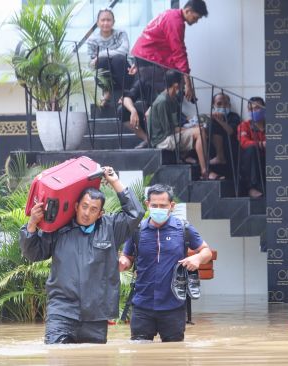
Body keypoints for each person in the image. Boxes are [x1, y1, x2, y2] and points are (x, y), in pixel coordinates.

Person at [20, 166, 144, 344]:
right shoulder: (58, 229)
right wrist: (32, 223)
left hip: (96, 315)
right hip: (62, 311)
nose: (87, 213)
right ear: (76, 206)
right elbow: (33, 253)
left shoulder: (110, 228)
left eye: (93, 209)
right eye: (84, 206)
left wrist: (114, 181)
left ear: (100, 213)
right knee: (57, 356)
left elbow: (135, 213)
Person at [119, 184, 212, 342]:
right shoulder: (138, 230)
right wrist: (123, 262)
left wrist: (196, 258)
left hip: (173, 306)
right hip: (142, 306)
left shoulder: (183, 228)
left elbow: (206, 251)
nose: (158, 209)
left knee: (174, 354)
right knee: (140, 354)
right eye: (154, 205)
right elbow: (127, 257)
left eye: (163, 206)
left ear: (172, 206)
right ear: (147, 204)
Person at [130, 0, 209, 104]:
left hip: (146, 56)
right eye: (195, 18)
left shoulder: (171, 15)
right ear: (188, 11)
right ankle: (154, 112)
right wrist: (188, 84)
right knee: (173, 86)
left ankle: (163, 109)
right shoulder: (175, 22)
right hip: (148, 59)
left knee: (177, 79)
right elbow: (179, 52)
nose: (196, 21)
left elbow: (173, 51)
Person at [149, 70, 212, 180]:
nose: (185, 86)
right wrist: (193, 129)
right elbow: (169, 130)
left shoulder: (173, 99)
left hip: (172, 134)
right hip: (162, 140)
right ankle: (204, 170)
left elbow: (180, 121)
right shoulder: (163, 101)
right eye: (183, 83)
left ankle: (186, 157)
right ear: (176, 85)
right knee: (200, 132)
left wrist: (195, 123)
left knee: (201, 128)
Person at [86, 8, 133, 106]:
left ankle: (126, 93)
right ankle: (107, 91)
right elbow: (91, 64)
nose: (106, 23)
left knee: (117, 59)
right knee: (101, 61)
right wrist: (100, 58)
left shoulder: (120, 34)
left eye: (108, 20)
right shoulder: (92, 40)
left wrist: (101, 54)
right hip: (106, 77)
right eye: (103, 20)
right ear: (98, 23)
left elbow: (124, 50)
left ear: (113, 22)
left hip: (124, 72)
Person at [237, 97, 266, 198]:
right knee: (252, 148)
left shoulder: (273, 125)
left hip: (268, 159)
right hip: (252, 159)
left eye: (257, 108)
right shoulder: (244, 125)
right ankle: (252, 188)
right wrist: (261, 144)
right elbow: (244, 142)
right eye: (251, 109)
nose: (253, 111)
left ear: (264, 108)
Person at [208, 92, 241, 179]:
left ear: (229, 105)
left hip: (230, 149)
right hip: (212, 151)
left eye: (225, 104)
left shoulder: (234, 116)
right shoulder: (211, 118)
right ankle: (210, 172)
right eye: (219, 104)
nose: (223, 106)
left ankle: (220, 157)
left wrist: (220, 121)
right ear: (213, 106)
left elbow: (231, 131)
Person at [119, 77, 153, 149]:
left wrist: (153, 108)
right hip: (148, 120)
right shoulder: (144, 79)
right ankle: (147, 140)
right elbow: (127, 97)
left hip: (167, 120)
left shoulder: (168, 77)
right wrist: (133, 111)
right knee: (122, 110)